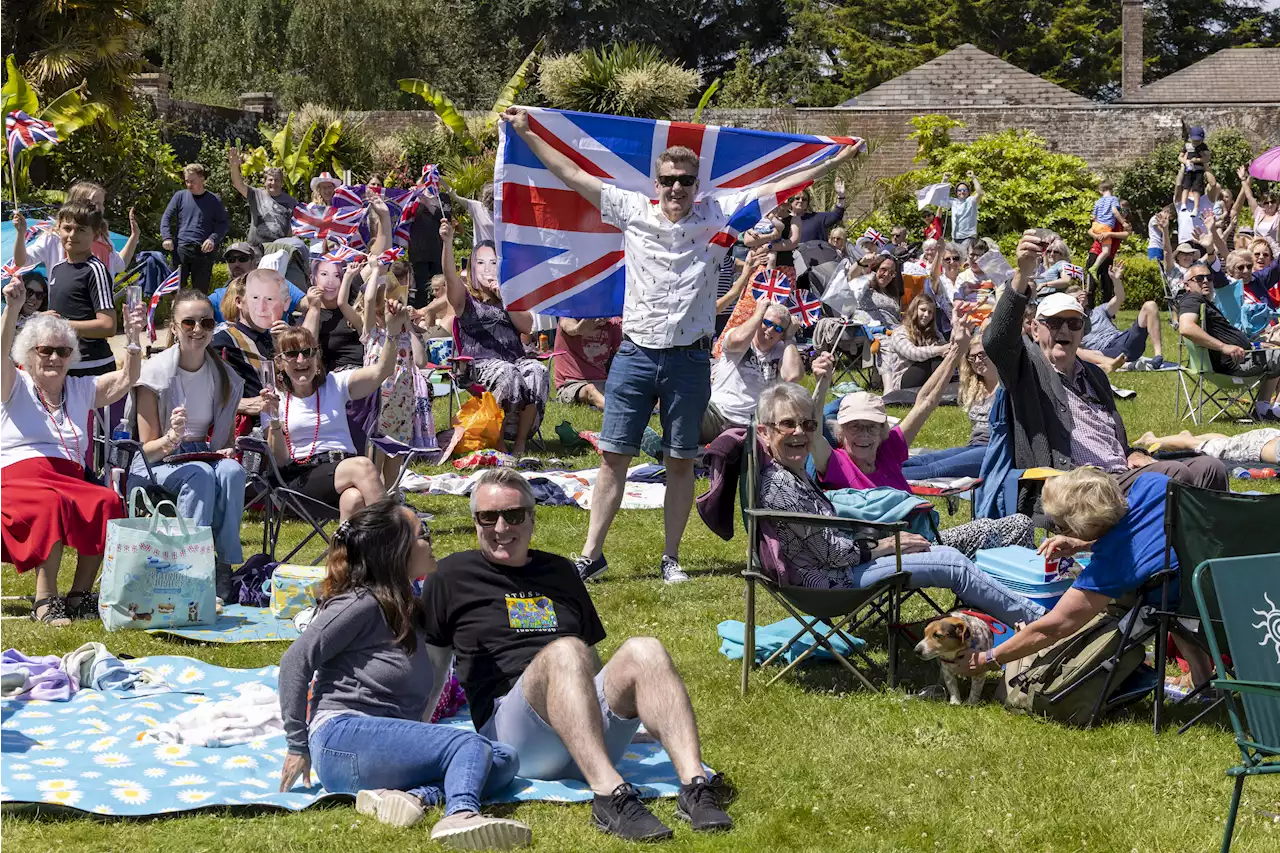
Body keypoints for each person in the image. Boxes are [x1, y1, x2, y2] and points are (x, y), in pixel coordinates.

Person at [500, 104, 860, 584]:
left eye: (685, 181)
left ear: (697, 185)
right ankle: (592, 553)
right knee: (613, 457)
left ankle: (672, 558)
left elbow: (783, 184)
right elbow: (570, 173)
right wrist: (526, 131)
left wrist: (836, 157)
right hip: (635, 353)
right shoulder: (631, 210)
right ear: (656, 182)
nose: (675, 188)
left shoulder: (719, 213)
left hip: (690, 358)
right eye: (668, 179)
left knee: (680, 460)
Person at [420, 469, 733, 841]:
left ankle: (695, 785)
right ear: (475, 522)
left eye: (514, 515)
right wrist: (416, 739)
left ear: (533, 519)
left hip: (586, 733)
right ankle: (609, 795)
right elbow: (434, 667)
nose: (501, 527)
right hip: (516, 737)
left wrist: (638, 715)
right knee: (565, 651)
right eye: (488, 517)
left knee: (645, 648)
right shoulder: (451, 575)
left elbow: (594, 663)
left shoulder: (560, 571)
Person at [278, 499, 531, 848]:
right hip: (343, 738)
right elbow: (295, 660)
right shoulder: (360, 603)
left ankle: (414, 798)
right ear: (396, 551)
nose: (431, 538)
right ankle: (460, 815)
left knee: (503, 759)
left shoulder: (408, 605)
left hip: (382, 753)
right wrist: (296, 745)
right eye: (422, 533)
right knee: (467, 744)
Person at [755, 373, 1043, 625]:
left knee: (1003, 531)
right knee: (954, 563)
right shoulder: (783, 482)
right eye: (786, 424)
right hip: (835, 580)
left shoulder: (793, 474)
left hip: (851, 561)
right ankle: (1040, 623)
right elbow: (832, 553)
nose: (799, 432)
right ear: (764, 433)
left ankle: (1023, 608)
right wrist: (888, 545)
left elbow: (926, 403)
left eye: (805, 425)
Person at [983, 231, 1228, 494]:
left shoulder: (1092, 375)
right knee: (1172, 476)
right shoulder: (1026, 371)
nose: (1064, 330)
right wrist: (1023, 275)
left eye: (1073, 323)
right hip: (1080, 483)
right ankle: (1172, 532)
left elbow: (1109, 437)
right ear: (1034, 330)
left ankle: (1201, 534)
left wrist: (1133, 453)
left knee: (1211, 468)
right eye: (1054, 323)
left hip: (1120, 471)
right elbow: (997, 340)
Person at [959, 467, 1213, 692]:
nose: (1058, 531)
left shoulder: (1111, 565)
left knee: (1166, 600)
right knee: (1174, 593)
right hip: (1226, 581)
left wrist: (988, 658)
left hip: (1188, 608)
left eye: (1062, 526)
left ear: (1083, 524)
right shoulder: (1154, 485)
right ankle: (1203, 681)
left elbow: (1055, 626)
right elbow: (1146, 534)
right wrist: (1085, 544)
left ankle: (1196, 680)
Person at [813, 325, 1034, 559]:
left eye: (872, 427)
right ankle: (1025, 590)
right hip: (894, 555)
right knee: (1017, 526)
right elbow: (812, 432)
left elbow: (925, 402)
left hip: (927, 543)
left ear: (882, 431)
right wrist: (822, 384)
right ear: (840, 432)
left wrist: (956, 352)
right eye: (854, 427)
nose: (864, 435)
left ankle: (1001, 589)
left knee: (1016, 524)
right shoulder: (834, 463)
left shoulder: (887, 449)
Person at [0, 283, 144, 625]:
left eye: (63, 352)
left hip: (69, 479)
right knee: (53, 503)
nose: (54, 358)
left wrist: (135, 336)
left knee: (106, 501)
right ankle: (45, 601)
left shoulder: (80, 388)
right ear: (28, 353)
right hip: (19, 482)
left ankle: (79, 595)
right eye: (46, 350)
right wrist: (13, 308)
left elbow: (128, 378)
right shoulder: (14, 384)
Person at [130, 290, 249, 601]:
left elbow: (223, 444)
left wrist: (226, 451)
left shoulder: (225, 376)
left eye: (206, 322)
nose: (198, 329)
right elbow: (147, 450)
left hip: (200, 455)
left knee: (232, 472)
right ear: (174, 327)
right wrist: (171, 437)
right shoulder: (154, 374)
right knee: (200, 473)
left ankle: (223, 565)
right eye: (189, 322)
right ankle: (188, 567)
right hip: (157, 463)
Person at [261, 319, 402, 519]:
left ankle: (344, 550)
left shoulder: (336, 383)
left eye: (307, 352)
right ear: (279, 362)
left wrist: (393, 332)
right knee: (362, 466)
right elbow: (280, 460)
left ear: (317, 357)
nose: (301, 360)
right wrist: (274, 419)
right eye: (292, 354)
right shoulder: (274, 399)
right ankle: (396, 534)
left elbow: (383, 371)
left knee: (353, 499)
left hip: (344, 471)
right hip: (300, 479)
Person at [440, 219, 547, 456]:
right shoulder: (465, 299)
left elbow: (527, 327)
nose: (487, 269)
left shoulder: (510, 297)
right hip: (477, 365)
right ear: (472, 268)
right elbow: (449, 277)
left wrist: (506, 298)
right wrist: (447, 243)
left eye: (493, 263)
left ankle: (519, 444)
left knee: (537, 372)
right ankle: (497, 443)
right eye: (481, 263)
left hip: (514, 360)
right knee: (508, 373)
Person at [13, 202, 116, 378]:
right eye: (67, 228)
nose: (72, 235)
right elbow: (20, 261)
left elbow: (108, 326)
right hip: (63, 367)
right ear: (58, 229)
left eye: (81, 230)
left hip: (93, 368)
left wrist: (61, 325)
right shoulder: (58, 268)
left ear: (95, 234)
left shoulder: (95, 270)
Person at [1176, 262, 1280, 420]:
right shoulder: (1192, 300)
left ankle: (1265, 408)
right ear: (1187, 285)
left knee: (1273, 350)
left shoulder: (1203, 302)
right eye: (1199, 278)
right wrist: (1224, 347)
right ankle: (1269, 410)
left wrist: (1253, 345)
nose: (1205, 281)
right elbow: (1186, 328)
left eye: (1209, 278)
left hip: (1236, 357)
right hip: (1231, 365)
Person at [700, 298, 803, 441]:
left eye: (778, 328)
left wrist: (790, 338)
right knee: (690, 404)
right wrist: (758, 313)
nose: (770, 330)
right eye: (766, 323)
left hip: (751, 425)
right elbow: (738, 340)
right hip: (718, 413)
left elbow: (792, 376)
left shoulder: (782, 351)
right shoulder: (738, 335)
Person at [901, 332, 998, 481]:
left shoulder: (1006, 388)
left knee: (934, 469)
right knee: (923, 459)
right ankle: (875, 469)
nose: (978, 361)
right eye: (972, 357)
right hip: (973, 446)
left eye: (982, 355)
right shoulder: (976, 388)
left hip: (994, 450)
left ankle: (879, 478)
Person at [213, 268, 292, 416]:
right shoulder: (223, 342)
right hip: (251, 429)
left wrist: (287, 346)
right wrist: (241, 404)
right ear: (239, 302)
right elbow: (208, 393)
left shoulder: (272, 338)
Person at [1081, 261, 1165, 370]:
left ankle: (1158, 356)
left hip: (1123, 340)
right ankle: (1129, 366)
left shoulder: (1099, 310)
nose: (1081, 299)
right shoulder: (1070, 323)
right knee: (1083, 354)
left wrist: (1116, 281)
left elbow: (1119, 298)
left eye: (1082, 296)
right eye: (1076, 298)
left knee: (1150, 305)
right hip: (1103, 352)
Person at [160, 163, 229, 293]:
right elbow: (166, 217)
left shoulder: (214, 200)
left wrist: (213, 239)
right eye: (187, 181)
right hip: (182, 249)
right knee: (175, 292)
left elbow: (223, 224)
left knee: (200, 293)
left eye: (193, 181)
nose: (189, 185)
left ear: (202, 179)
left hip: (204, 252)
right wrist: (166, 237)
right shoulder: (179, 196)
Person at [228, 149, 299, 247]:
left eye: (277, 180)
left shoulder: (291, 201)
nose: (273, 183)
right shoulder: (255, 194)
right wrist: (234, 165)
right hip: (256, 248)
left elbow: (294, 227)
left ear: (281, 183)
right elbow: (238, 184)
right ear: (264, 182)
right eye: (270, 180)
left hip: (279, 248)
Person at [64, 179, 139, 272]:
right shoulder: (58, 237)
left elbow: (120, 266)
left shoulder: (104, 240)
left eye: (101, 204)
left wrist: (135, 235)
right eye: (95, 204)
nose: (100, 209)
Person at [883, 293, 949, 392]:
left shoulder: (934, 332)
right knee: (932, 358)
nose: (926, 315)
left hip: (927, 375)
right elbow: (913, 353)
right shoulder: (900, 332)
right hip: (904, 379)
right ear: (914, 310)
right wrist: (939, 349)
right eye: (923, 310)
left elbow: (945, 349)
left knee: (940, 360)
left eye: (930, 312)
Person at [555, 316, 623, 410]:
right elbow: (569, 327)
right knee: (590, 390)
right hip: (571, 385)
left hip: (603, 383)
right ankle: (615, 411)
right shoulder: (569, 315)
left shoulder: (614, 322)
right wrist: (579, 328)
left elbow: (622, 352)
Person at [852, 254, 903, 327]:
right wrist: (861, 263)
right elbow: (851, 276)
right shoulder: (865, 285)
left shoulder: (893, 292)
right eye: (883, 269)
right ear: (876, 269)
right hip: (871, 332)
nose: (886, 274)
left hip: (894, 330)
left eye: (891, 273)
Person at [1236, 165, 1280, 244]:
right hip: (1258, 251)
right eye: (1266, 203)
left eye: (1272, 202)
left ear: (1276, 203)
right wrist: (1243, 179)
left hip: (1275, 253)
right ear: (1263, 204)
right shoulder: (1259, 213)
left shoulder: (1278, 215)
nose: (1270, 205)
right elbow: (1249, 196)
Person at [945, 171, 983, 246]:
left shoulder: (971, 201)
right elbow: (940, 196)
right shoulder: (953, 202)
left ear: (968, 192)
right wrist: (944, 180)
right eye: (959, 190)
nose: (962, 192)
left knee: (966, 257)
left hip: (968, 237)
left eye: (964, 190)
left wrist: (973, 178)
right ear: (956, 192)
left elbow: (980, 193)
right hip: (955, 238)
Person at [1178, 127, 1210, 212]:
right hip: (1189, 169)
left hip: (1198, 170)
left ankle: (1196, 207)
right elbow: (1180, 157)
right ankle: (1183, 204)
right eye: (1194, 140)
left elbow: (1207, 158)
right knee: (1186, 187)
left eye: (1198, 141)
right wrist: (1185, 161)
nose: (1196, 143)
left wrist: (1198, 160)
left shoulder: (1203, 146)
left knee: (1196, 188)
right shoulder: (1187, 146)